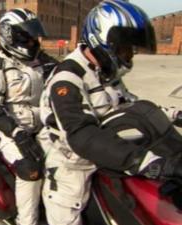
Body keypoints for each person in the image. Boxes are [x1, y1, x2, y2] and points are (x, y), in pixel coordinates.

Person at [39, 1, 182, 224]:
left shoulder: (103, 72)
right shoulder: (67, 79)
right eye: (125, 49)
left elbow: (132, 106)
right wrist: (145, 161)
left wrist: (174, 115)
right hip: (73, 168)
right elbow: (81, 135)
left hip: (107, 154)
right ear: (104, 40)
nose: (129, 55)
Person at [0, 8, 58, 225]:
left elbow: (64, 75)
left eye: (34, 36)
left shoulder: (42, 60)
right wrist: (17, 133)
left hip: (41, 123)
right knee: (30, 171)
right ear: (10, 36)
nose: (33, 42)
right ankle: (27, 220)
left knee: (65, 160)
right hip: (10, 128)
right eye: (27, 37)